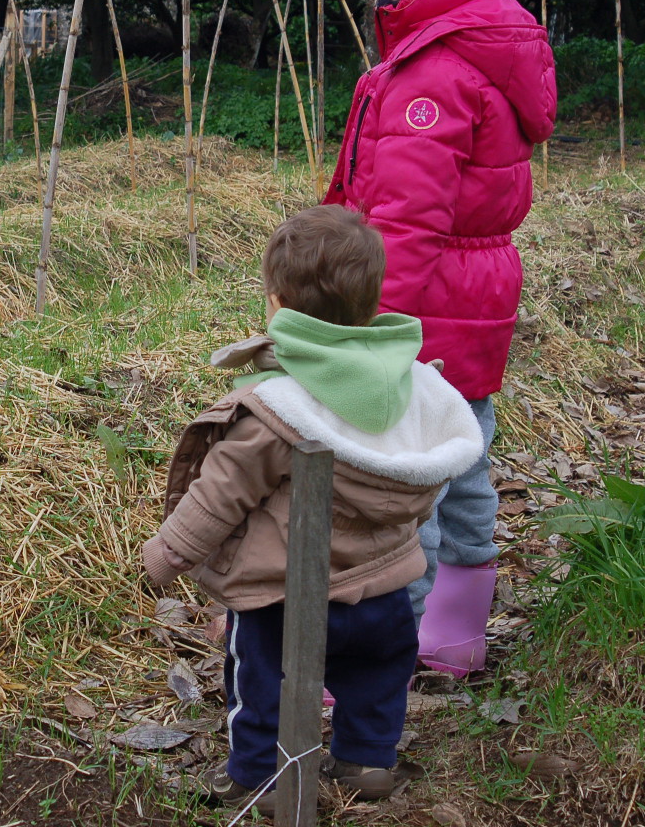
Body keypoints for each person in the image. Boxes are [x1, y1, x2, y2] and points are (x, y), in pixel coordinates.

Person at [141, 207, 482, 809]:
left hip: (284, 599)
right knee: (376, 684)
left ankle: (261, 779)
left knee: (261, 685)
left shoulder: (277, 407)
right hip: (385, 595)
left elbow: (219, 495)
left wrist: (166, 555)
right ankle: (367, 765)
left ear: (276, 303)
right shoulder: (412, 390)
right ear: (371, 304)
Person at [322, 0, 560, 677]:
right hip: (480, 298)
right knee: (466, 456)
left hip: (419, 313)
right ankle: (457, 635)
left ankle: (381, 652)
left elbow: (408, 224)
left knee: (402, 484)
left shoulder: (434, 73)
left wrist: (361, 325)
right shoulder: (496, 51)